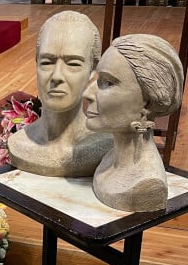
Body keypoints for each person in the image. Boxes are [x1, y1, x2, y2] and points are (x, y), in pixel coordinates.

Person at [82, 34, 183, 212]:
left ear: (148, 103)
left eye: (107, 82)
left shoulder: (147, 183)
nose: (88, 94)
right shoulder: (109, 158)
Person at [7, 12, 112, 177]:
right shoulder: (19, 143)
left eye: (73, 64)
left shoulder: (103, 145)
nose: (56, 76)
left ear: (92, 69)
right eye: (47, 62)